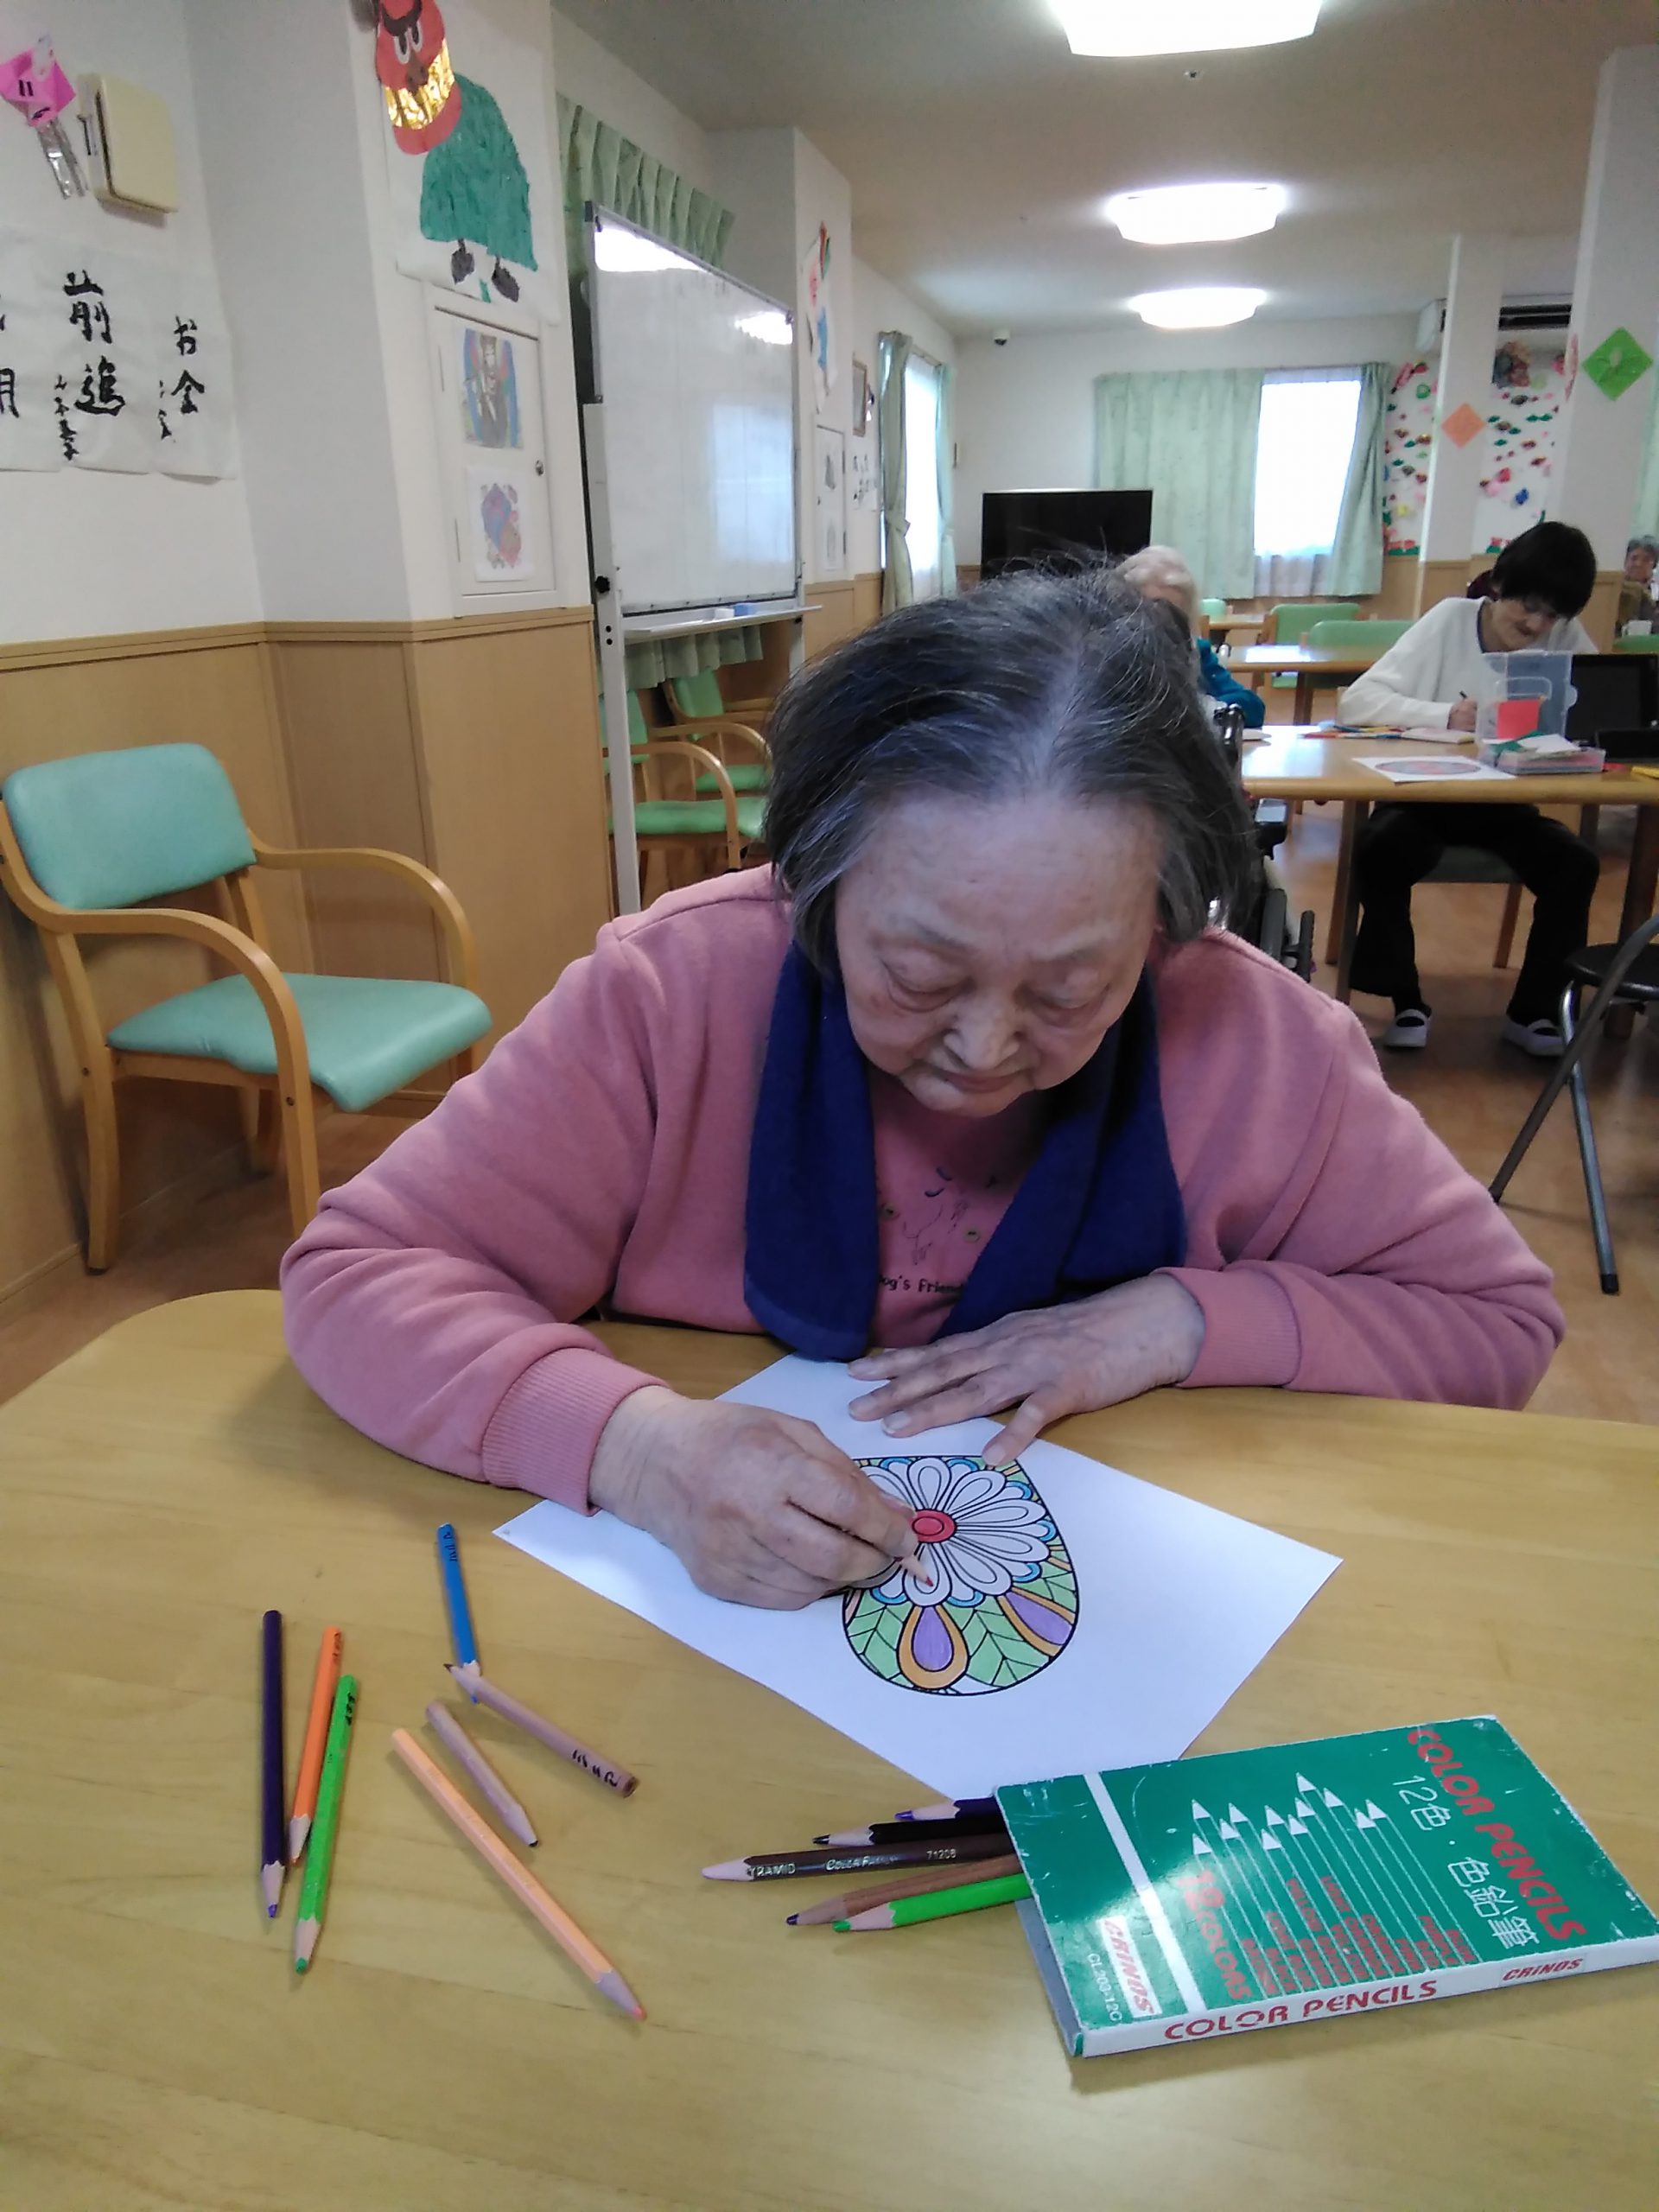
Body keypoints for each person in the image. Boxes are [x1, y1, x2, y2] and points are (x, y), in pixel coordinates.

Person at [283, 568, 1563, 1611]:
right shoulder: (676, 993)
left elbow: (1496, 1325)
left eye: (1070, 988)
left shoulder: (1256, 1039)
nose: (985, 1047)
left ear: (1165, 929)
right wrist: (636, 1447)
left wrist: (1178, 1321)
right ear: (813, 885)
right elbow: (358, 1273)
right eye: (920, 974)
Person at [1339, 520, 1600, 1058]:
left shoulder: (1564, 638)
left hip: (1507, 805)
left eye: (1553, 615)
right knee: (1381, 847)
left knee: (1575, 864)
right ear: (1499, 585)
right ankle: (1406, 1001)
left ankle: (1536, 1012)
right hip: (1425, 799)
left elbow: (1599, 711)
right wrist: (1445, 714)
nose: (1537, 624)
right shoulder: (1450, 620)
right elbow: (1356, 703)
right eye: (1529, 606)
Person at [1117, 545, 1266, 728]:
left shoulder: (1195, 654)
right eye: (1152, 609)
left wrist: (1205, 709)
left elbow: (1253, 708)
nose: (1163, 623)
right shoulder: (1110, 658)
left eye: (1175, 614)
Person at [1618, 534, 1657, 632]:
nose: (1638, 564)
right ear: (1625, 561)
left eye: (1646, 560)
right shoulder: (1614, 591)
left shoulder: (1656, 594)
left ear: (1654, 565)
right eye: (1634, 558)